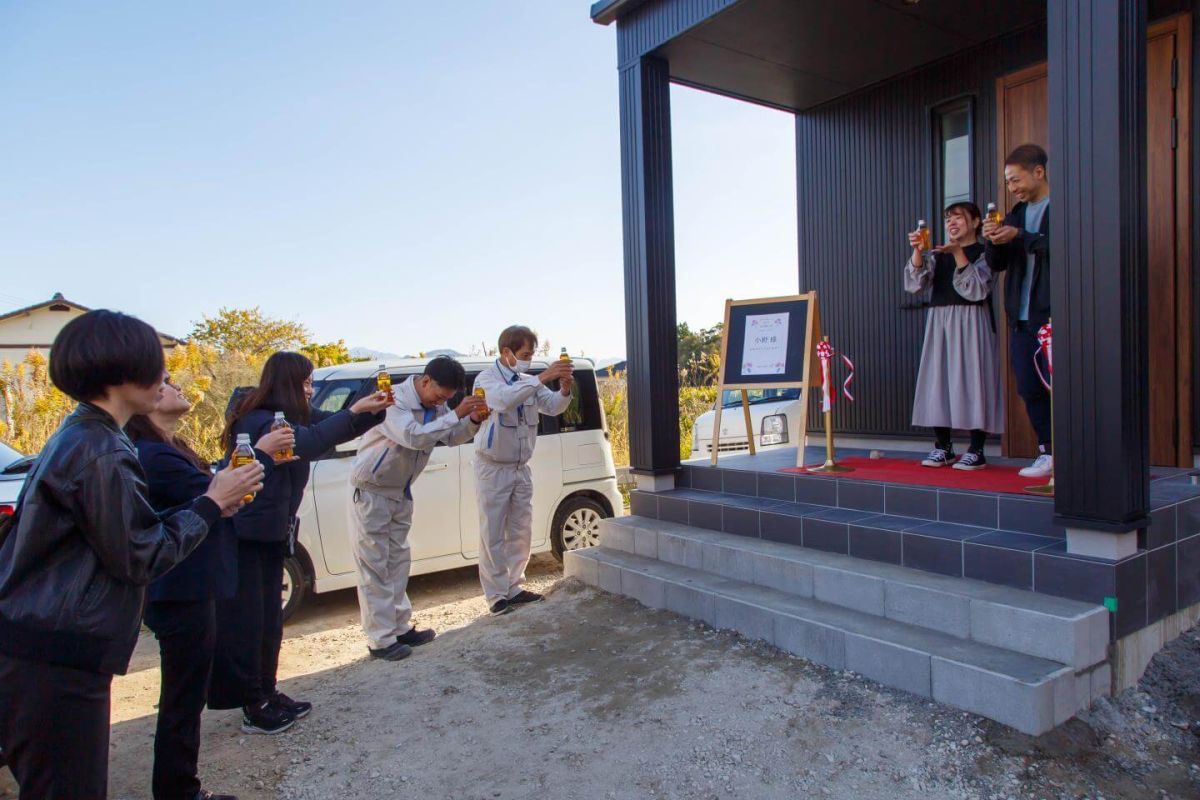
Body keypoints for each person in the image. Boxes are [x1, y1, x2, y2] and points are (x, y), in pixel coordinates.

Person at [0, 310, 262, 800]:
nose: (165, 378)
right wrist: (211, 503)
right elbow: (139, 555)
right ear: (122, 373)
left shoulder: (83, 434)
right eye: (157, 366)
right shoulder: (101, 449)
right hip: (56, 654)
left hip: (39, 645)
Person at [128, 377, 295, 800]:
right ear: (145, 403)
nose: (174, 385)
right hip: (180, 587)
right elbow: (213, 494)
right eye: (163, 383)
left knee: (186, 695)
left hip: (189, 584)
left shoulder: (169, 447)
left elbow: (215, 494)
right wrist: (262, 454)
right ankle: (179, 790)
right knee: (182, 700)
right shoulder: (152, 455)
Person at [208, 352, 389, 735]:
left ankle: (268, 691)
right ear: (286, 383)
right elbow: (310, 442)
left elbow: (334, 427)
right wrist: (354, 408)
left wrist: (372, 411)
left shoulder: (288, 416)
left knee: (269, 623)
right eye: (305, 383)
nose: (310, 390)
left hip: (272, 533)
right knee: (251, 624)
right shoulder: (260, 420)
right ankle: (252, 703)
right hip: (247, 536)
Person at [349, 356, 487, 661]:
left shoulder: (435, 407)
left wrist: (473, 420)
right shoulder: (392, 399)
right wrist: (455, 415)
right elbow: (412, 436)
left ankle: (400, 627)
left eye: (448, 400)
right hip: (372, 490)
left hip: (400, 490)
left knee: (398, 561)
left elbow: (450, 436)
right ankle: (381, 639)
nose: (443, 403)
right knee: (374, 564)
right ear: (426, 381)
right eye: (440, 396)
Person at [472, 327, 573, 616]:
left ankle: (514, 586)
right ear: (506, 353)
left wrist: (564, 388)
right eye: (525, 355)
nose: (529, 360)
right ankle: (495, 595)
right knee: (492, 531)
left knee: (521, 529)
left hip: (520, 467)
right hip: (492, 467)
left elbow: (553, 406)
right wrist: (543, 377)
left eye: (531, 355)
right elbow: (503, 400)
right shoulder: (486, 379)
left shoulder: (529, 381)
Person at [905, 202, 1004, 469]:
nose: (952, 223)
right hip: (940, 320)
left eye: (958, 218)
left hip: (972, 320)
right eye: (948, 218)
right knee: (937, 380)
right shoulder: (938, 254)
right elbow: (915, 285)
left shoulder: (985, 252)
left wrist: (959, 253)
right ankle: (943, 447)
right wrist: (917, 251)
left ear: (975, 222)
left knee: (975, 380)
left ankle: (976, 449)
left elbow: (977, 289)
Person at [983, 143, 1053, 479]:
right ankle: (1048, 452)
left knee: (1062, 387)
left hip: (1053, 317)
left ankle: (1077, 452)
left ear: (1038, 172)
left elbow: (1062, 245)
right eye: (1008, 183)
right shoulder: (1014, 214)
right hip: (1021, 320)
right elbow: (997, 265)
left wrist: (1021, 236)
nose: (1012, 188)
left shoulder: (1061, 207)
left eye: (1015, 180)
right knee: (1028, 386)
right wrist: (991, 240)